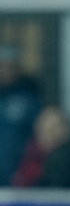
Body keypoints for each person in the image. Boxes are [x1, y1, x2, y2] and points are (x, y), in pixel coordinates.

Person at [0, 45, 41, 186]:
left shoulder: (28, 98)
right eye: (2, 66)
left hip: (16, 172)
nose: (5, 70)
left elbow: (37, 135)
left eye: (10, 66)